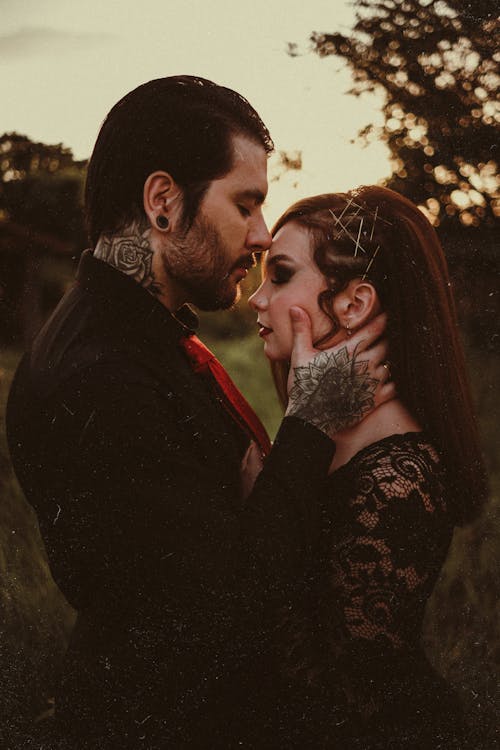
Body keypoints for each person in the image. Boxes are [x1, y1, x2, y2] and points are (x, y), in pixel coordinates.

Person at [6, 78, 393, 748]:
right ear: (163, 202)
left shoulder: (137, 338)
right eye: (246, 204)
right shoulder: (102, 379)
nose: (263, 235)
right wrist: (309, 426)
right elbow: (223, 612)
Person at [248, 186, 488, 748]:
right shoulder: (332, 440)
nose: (257, 299)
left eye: (279, 276)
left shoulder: (396, 480)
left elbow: (349, 694)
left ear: (354, 304)